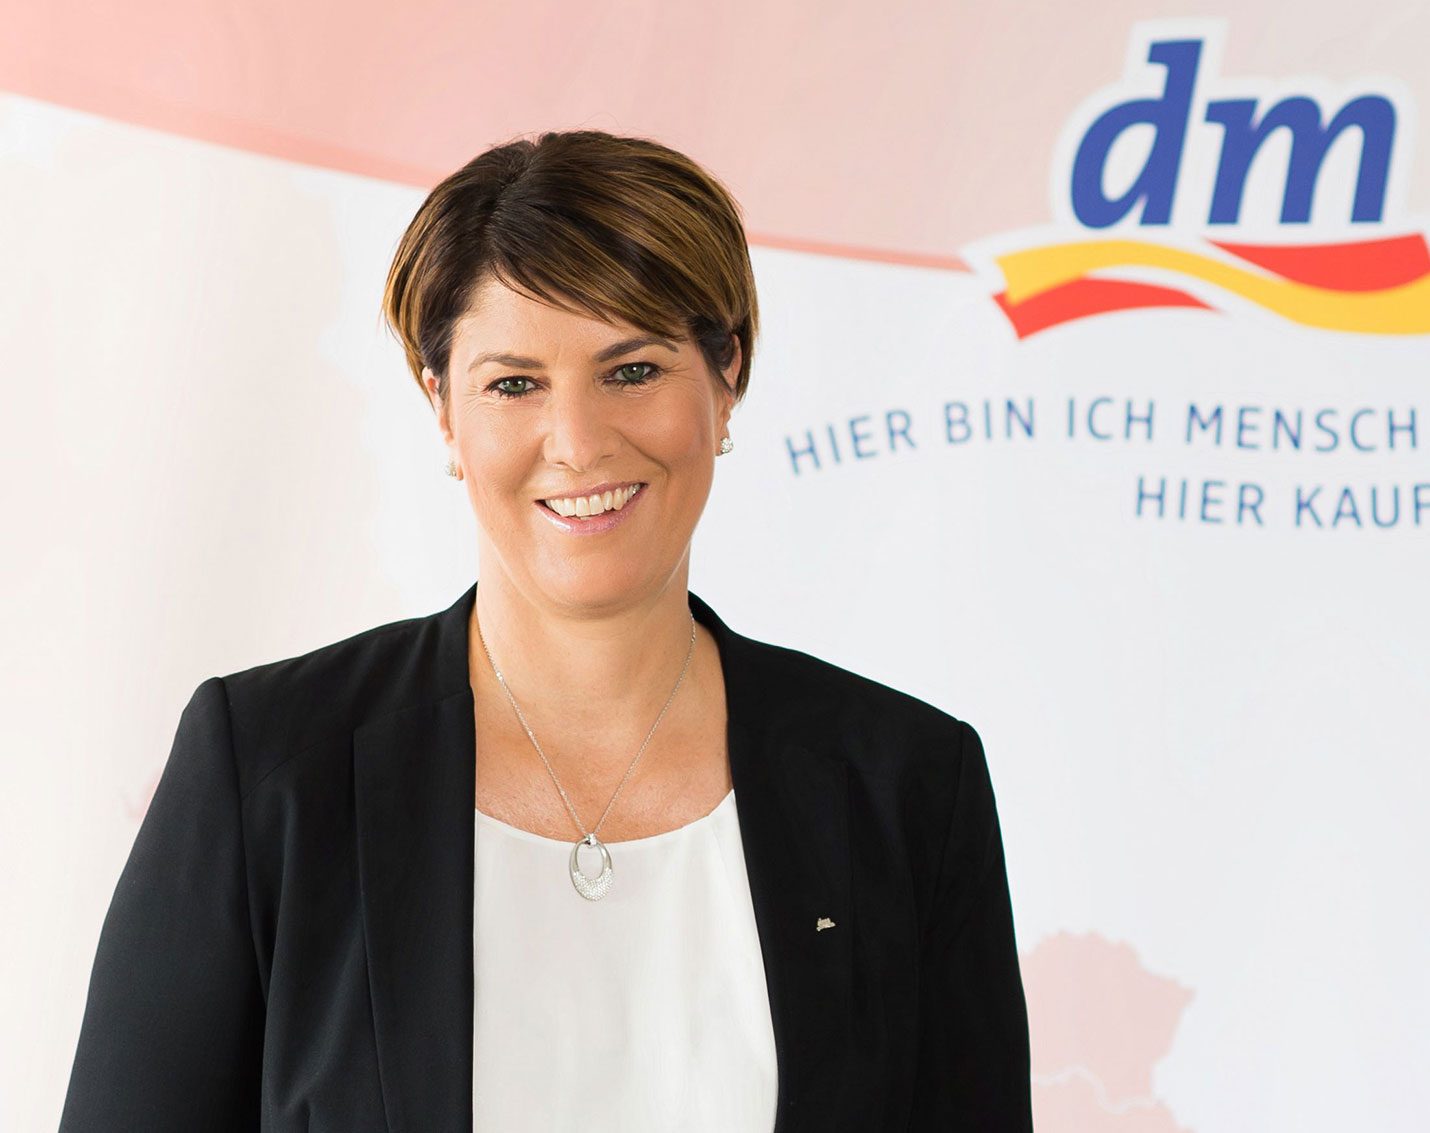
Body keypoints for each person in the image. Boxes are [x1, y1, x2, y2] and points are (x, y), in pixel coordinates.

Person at [58, 129, 1032, 1132]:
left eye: (632, 370)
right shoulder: (269, 769)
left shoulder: (908, 783)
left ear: (725, 374)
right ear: (443, 406)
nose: (576, 443)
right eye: (513, 383)